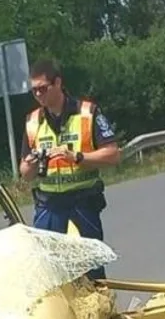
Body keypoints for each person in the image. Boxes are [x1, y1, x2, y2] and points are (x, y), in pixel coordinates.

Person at [18, 59, 121, 279]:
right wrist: (32, 164)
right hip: (49, 206)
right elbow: (25, 174)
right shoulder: (32, 121)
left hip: (82, 203)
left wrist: (78, 157)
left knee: (92, 269)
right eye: (34, 91)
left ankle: (99, 311)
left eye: (43, 89)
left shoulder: (88, 112)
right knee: (50, 273)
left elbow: (113, 154)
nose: (38, 95)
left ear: (58, 83)